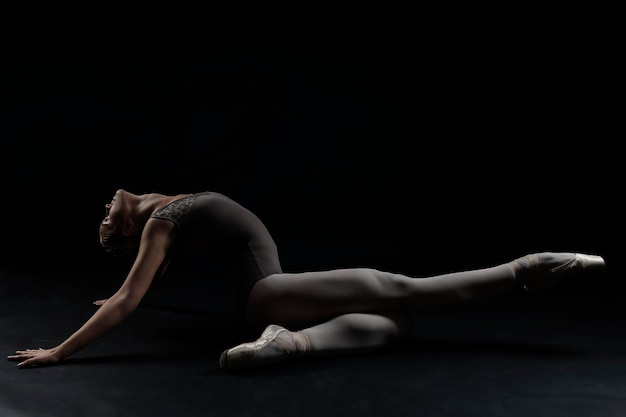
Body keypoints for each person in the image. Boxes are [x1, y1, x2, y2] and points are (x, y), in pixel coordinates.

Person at [7, 189, 606, 371]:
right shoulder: (160, 222)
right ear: (127, 230)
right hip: (269, 291)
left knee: (389, 325)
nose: (104, 212)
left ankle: (289, 343)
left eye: (103, 219)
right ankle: (529, 269)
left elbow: (139, 289)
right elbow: (130, 297)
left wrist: (124, 294)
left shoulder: (166, 209)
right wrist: (61, 352)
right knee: (401, 288)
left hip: (270, 302)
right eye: (105, 226)